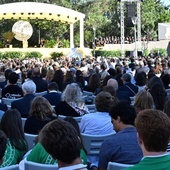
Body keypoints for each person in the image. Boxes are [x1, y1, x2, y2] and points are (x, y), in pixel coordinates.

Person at [98, 101, 142, 170]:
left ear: (118, 119)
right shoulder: (147, 140)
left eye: (112, 122)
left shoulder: (109, 143)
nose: (112, 127)